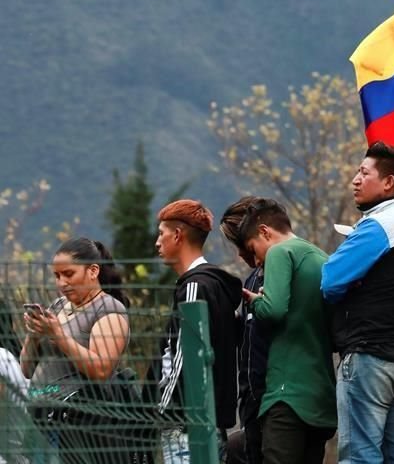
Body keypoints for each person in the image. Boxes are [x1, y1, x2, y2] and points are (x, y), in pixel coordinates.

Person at [321, 141, 394, 464]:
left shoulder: (379, 225)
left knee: (359, 456)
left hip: (370, 358)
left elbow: (330, 280)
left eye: (363, 172)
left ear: (388, 182)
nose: (355, 179)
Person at [225, 197, 337, 464]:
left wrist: (256, 301)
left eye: (253, 249)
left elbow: (273, 311)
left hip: (287, 393)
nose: (255, 259)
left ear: (264, 231)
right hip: (320, 395)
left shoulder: (279, 252)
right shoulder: (321, 257)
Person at [20, 238, 131, 464]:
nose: (62, 283)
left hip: (76, 428)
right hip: (39, 423)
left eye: (69, 274)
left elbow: (101, 370)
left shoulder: (108, 309)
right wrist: (34, 334)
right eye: (57, 276)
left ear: (93, 271)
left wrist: (58, 335)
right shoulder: (57, 307)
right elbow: (26, 369)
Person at [154, 199, 242, 464]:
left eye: (161, 234)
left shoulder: (195, 288)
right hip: (210, 422)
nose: (157, 242)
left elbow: (184, 357)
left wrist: (161, 410)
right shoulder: (215, 286)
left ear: (178, 235)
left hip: (186, 425)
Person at [220, 197, 269, 464]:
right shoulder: (252, 278)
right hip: (249, 396)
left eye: (241, 244)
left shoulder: (277, 274)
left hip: (268, 398)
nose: (240, 253)